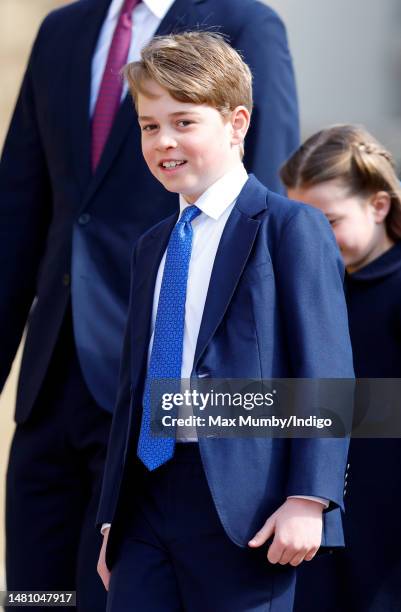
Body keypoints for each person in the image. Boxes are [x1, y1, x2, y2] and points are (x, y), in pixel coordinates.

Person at [0, 0, 299, 609]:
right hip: (50, 382)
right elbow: (19, 208)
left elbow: (263, 214)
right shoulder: (62, 28)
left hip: (163, 389)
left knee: (112, 594)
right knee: (35, 596)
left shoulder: (245, 22)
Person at [96, 32, 354, 611]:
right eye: (148, 125)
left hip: (248, 508)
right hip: (146, 502)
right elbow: (132, 390)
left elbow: (325, 368)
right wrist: (112, 513)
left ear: (237, 124)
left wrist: (309, 498)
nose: (164, 141)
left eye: (184, 122)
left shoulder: (289, 228)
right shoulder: (151, 246)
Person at [281, 124, 401, 612]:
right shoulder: (313, 291)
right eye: (301, 223)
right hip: (323, 535)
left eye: (328, 221)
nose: (315, 240)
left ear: (378, 206)